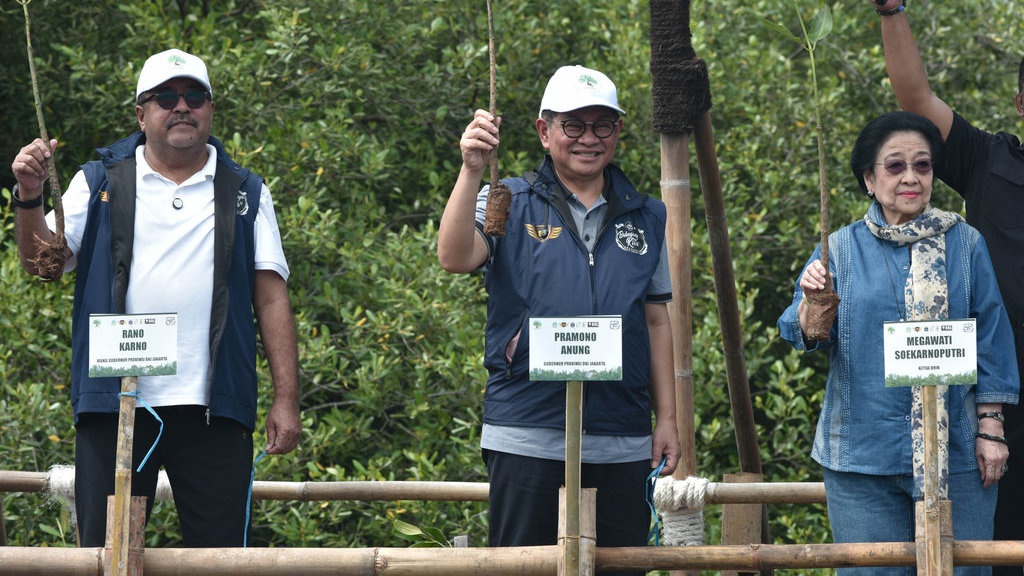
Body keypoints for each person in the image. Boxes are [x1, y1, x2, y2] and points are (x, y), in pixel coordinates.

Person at [10, 48, 301, 547]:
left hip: (215, 408)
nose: (181, 106)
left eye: (194, 96)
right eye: (165, 97)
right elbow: (42, 265)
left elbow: (271, 298)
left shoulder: (246, 191)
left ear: (211, 110)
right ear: (141, 115)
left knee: (220, 561)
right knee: (110, 555)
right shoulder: (97, 180)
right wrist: (31, 193)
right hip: (113, 404)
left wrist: (286, 399)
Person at [437, 64, 680, 572]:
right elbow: (455, 257)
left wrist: (668, 420)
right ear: (544, 132)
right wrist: (471, 169)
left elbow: (657, 321)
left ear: (617, 130)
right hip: (526, 428)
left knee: (621, 566)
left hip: (621, 434)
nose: (589, 138)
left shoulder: (648, 215)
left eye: (602, 125)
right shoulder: (505, 198)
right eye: (573, 124)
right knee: (523, 567)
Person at [778, 111, 1019, 576]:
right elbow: (804, 333)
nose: (910, 177)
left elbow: (991, 337)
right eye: (895, 166)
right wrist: (812, 301)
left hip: (957, 455)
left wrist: (991, 430)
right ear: (869, 179)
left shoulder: (965, 244)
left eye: (922, 165)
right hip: (862, 457)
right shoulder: (839, 250)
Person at [869, 3, 1024, 569]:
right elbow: (916, 100)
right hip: (1000, 402)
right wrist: (892, 10)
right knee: (1001, 547)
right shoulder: (990, 158)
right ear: (1020, 103)